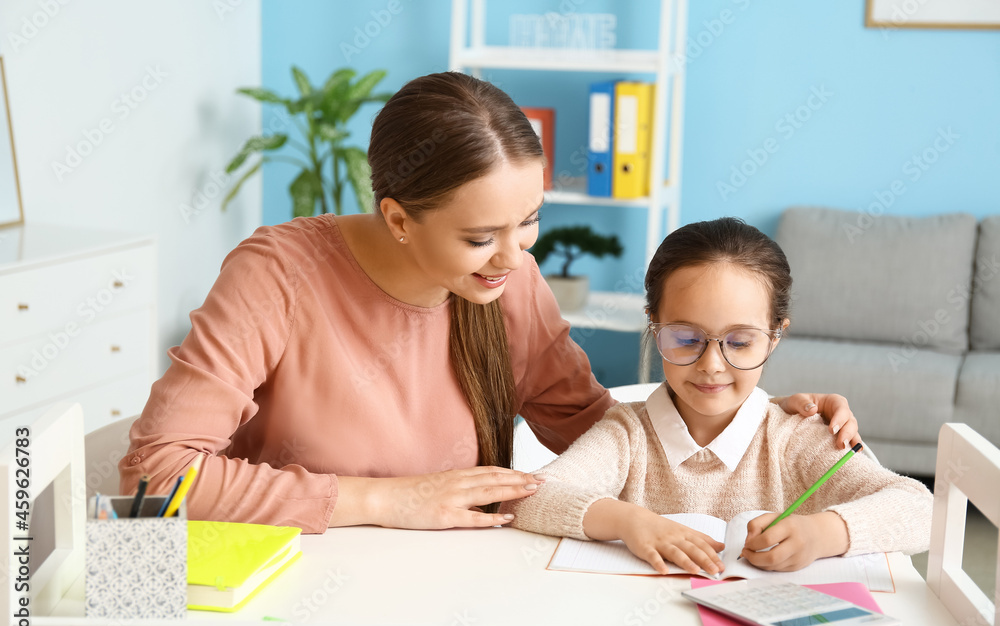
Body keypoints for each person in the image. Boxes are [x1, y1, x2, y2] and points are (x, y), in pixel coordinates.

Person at [119, 72, 861, 534]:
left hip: (459, 593)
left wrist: (742, 408)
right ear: (399, 217)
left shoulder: (508, 282)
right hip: (293, 591)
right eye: (480, 237)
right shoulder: (276, 276)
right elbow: (156, 478)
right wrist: (386, 500)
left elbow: (598, 434)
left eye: (530, 221)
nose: (516, 256)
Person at [501, 218, 932, 574]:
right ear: (654, 324)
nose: (712, 365)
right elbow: (528, 498)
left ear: (775, 337)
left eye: (740, 342)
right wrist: (630, 521)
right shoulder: (626, 434)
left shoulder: (795, 436)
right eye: (686, 338)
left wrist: (823, 533)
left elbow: (920, 508)